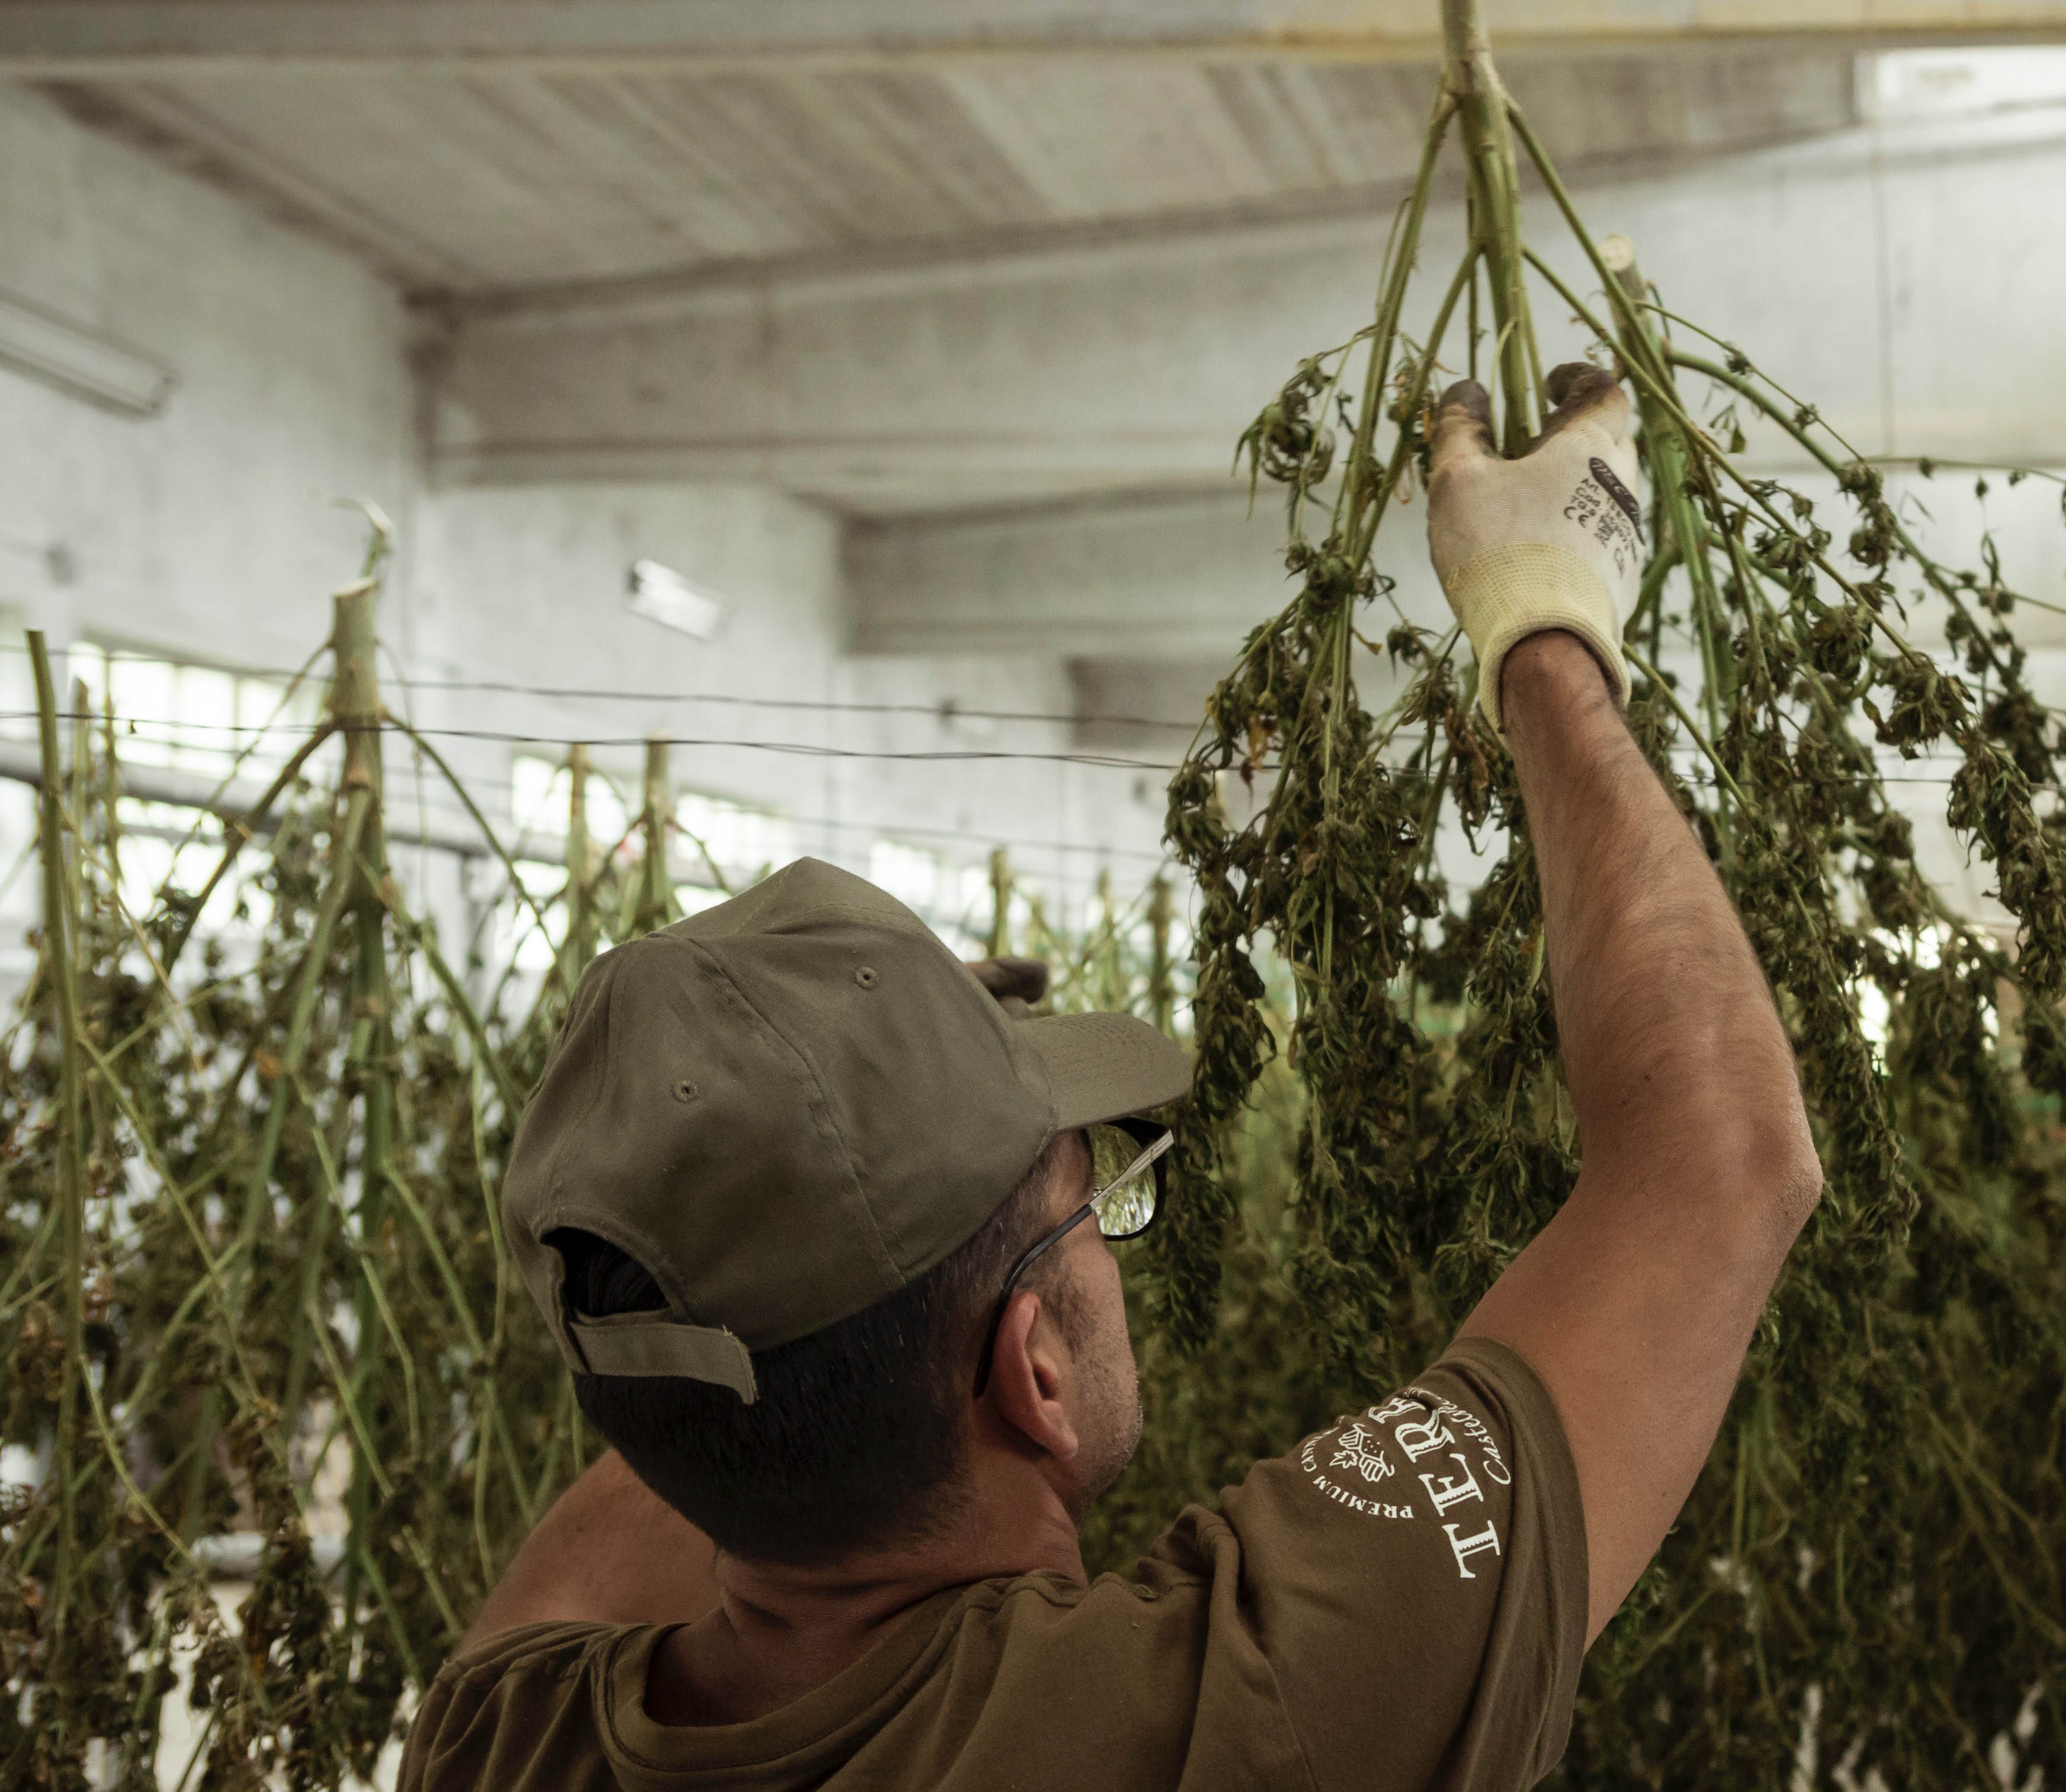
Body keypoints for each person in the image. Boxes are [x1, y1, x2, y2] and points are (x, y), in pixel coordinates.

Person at [397, 364, 1824, 1791]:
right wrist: (1545, 625)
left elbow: (717, 1365)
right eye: (1098, 1204)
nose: (1114, 1240)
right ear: (1032, 1371)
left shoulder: (501, 1743)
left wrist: (838, 1092)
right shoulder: (1229, 1725)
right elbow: (1714, 1170)